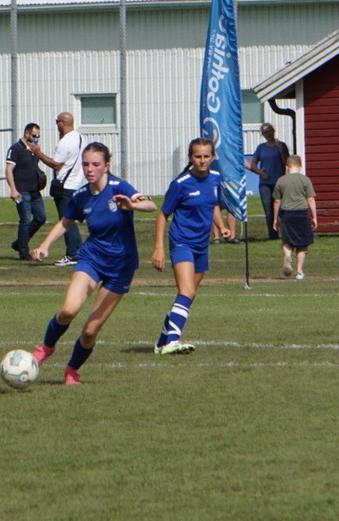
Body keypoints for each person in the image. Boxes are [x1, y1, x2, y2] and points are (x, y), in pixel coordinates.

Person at [29, 142, 155, 385]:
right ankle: (46, 348)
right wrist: (44, 245)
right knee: (68, 310)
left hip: (121, 267)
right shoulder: (81, 197)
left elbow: (150, 204)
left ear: (107, 166)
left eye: (96, 164)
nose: (90, 169)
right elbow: (65, 222)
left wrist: (133, 205)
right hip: (92, 259)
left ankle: (71, 370)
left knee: (89, 331)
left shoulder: (120, 187)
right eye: (86, 164)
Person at [151, 137, 223, 355]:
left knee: (189, 294)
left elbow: (213, 205)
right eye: (197, 156)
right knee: (187, 290)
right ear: (190, 158)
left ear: (212, 157)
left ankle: (162, 342)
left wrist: (220, 227)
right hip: (182, 242)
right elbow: (163, 214)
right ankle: (172, 341)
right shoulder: (180, 184)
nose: (202, 161)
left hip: (202, 245)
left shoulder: (216, 179)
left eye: (206, 156)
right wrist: (159, 248)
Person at [31, 111, 86, 266]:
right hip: (76, 183)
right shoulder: (81, 138)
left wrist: (38, 153)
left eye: (57, 122)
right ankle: (78, 251)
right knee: (70, 219)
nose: (56, 125)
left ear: (63, 123)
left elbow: (56, 164)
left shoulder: (64, 142)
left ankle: (73, 253)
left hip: (64, 185)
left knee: (65, 221)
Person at [5, 122, 47, 260]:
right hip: (22, 191)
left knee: (41, 217)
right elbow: (9, 169)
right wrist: (13, 189)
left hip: (34, 190)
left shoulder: (34, 150)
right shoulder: (16, 149)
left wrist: (38, 152)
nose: (36, 139)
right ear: (27, 134)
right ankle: (23, 252)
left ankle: (19, 243)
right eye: (34, 135)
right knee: (25, 219)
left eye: (38, 136)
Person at [271, 154, 317, 280]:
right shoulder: (305, 180)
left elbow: (276, 201)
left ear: (287, 167)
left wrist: (275, 218)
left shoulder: (281, 180)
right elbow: (311, 199)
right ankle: (299, 271)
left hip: (287, 214)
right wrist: (314, 217)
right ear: (300, 167)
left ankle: (287, 255)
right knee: (302, 244)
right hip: (302, 213)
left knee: (286, 241)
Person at [247, 123, 291, 240]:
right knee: (268, 209)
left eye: (269, 131)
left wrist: (282, 152)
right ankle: (272, 234)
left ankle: (285, 233)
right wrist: (259, 172)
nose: (268, 134)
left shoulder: (281, 145)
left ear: (273, 131)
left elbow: (287, 163)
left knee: (282, 208)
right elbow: (253, 163)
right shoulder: (261, 147)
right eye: (265, 133)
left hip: (279, 182)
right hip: (265, 183)